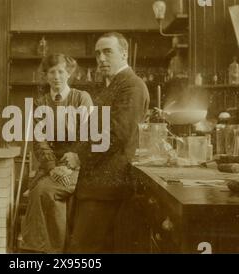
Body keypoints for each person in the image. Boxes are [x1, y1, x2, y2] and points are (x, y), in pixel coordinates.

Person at [66, 32, 150, 253]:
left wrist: (79, 156)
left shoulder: (132, 85)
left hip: (107, 185)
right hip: (96, 183)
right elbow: (94, 130)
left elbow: (117, 133)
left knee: (84, 251)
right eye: (97, 53)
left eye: (107, 52)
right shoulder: (112, 85)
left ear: (124, 53)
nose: (101, 58)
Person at [20, 54, 93, 253]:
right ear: (45, 76)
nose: (57, 76)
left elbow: (89, 135)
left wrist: (71, 164)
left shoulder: (81, 98)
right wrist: (52, 168)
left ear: (69, 73)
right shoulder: (40, 103)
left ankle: (50, 250)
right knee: (41, 191)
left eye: (61, 71)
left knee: (45, 192)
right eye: (52, 72)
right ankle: (44, 250)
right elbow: (39, 140)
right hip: (51, 168)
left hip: (78, 166)